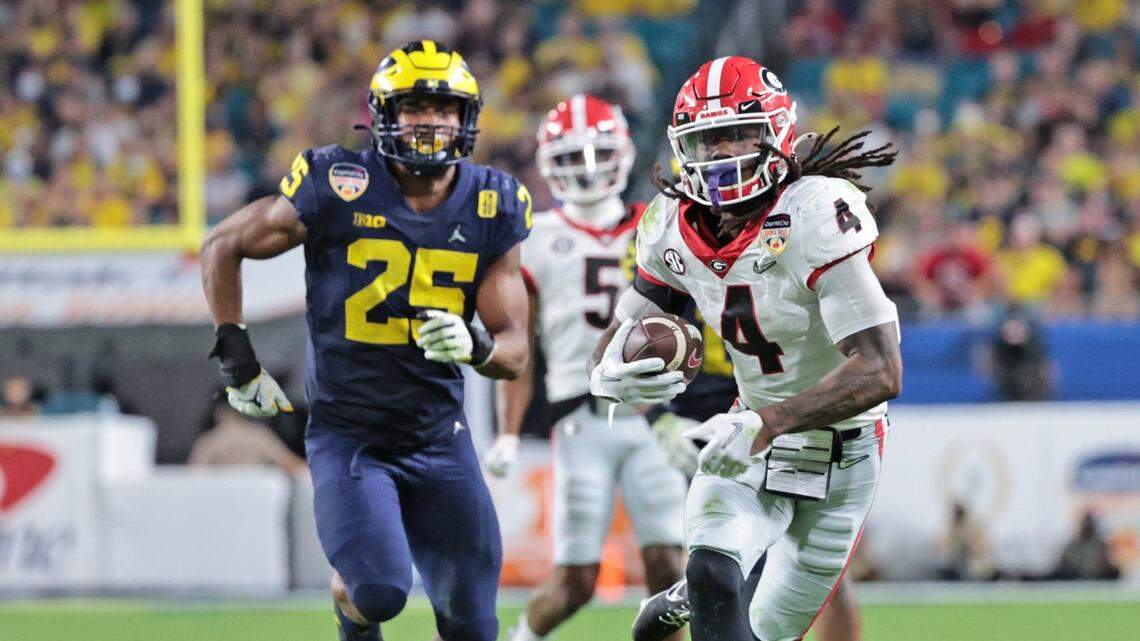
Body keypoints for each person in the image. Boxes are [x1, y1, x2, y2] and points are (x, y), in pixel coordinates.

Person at [200, 41, 532, 641]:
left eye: (444, 108)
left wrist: (475, 346)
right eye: (413, 107)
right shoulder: (338, 180)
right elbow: (223, 244)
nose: (430, 121)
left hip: (439, 436)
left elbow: (515, 352)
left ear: (467, 118)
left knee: (473, 628)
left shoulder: (492, 203)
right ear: (383, 114)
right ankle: (349, 609)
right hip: (351, 436)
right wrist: (236, 354)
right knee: (377, 592)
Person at [588, 56, 902, 641]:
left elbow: (882, 370)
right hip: (747, 437)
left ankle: (691, 595)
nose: (725, 155)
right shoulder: (670, 224)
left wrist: (769, 421)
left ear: (778, 132)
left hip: (840, 454)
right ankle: (699, 588)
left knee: (766, 630)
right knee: (713, 570)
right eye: (709, 141)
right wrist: (605, 371)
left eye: (740, 134)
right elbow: (624, 328)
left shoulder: (814, 212)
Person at [484, 94, 688, 641]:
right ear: (550, 164)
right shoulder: (536, 238)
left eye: (600, 154)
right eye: (575, 157)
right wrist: (507, 431)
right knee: (575, 578)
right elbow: (518, 348)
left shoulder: (661, 222)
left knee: (671, 568)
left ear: (622, 153)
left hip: (656, 414)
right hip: (580, 416)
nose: (591, 169)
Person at [189, 395, 307, 476]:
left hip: (224, 501)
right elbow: (292, 464)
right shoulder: (258, 436)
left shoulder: (209, 441)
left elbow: (192, 476)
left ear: (218, 412)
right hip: (254, 498)